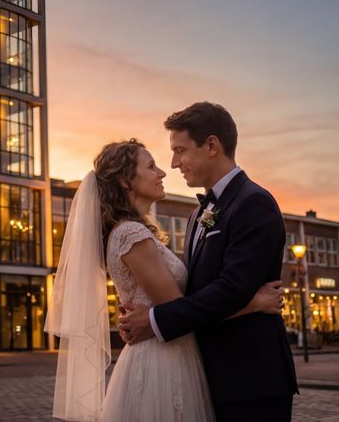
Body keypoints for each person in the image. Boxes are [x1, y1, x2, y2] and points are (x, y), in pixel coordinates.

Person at [45, 136, 285, 421]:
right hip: (161, 360)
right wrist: (253, 303)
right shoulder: (131, 235)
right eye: (151, 167)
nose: (162, 172)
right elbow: (179, 309)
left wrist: (151, 317)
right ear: (125, 181)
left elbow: (176, 307)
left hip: (168, 351)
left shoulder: (137, 232)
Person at [117, 102, 298, 421]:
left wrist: (155, 319)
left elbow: (231, 288)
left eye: (180, 150)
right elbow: (202, 291)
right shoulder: (198, 214)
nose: (174, 163)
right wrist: (251, 303)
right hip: (206, 376)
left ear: (212, 145)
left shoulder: (254, 202)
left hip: (249, 378)